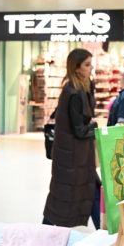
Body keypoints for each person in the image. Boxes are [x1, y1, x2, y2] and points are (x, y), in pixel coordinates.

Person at [43, 48, 100, 229]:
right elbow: (79, 130)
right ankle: (43, 231)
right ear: (76, 68)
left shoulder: (82, 88)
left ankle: (103, 230)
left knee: (82, 192)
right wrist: (96, 126)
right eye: (87, 65)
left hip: (76, 156)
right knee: (70, 196)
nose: (91, 68)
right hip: (73, 158)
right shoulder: (73, 93)